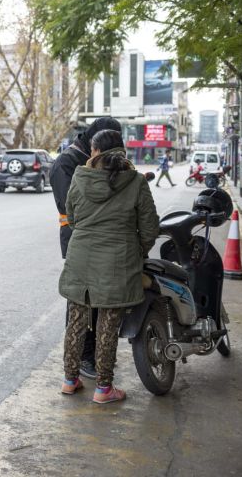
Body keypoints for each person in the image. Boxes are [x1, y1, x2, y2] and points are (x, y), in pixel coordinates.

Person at [59, 129, 159, 403]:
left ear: (94, 151)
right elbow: (149, 227)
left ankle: (70, 380)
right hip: (119, 261)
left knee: (77, 321)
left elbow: (72, 217)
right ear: (121, 151)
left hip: (81, 257)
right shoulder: (136, 181)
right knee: (108, 325)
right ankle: (104, 389)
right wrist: (137, 251)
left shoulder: (80, 177)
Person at [49, 117, 121, 379]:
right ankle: (83, 357)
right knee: (81, 304)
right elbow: (70, 207)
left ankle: (95, 354)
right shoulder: (66, 163)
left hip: (102, 240)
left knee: (100, 302)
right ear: (95, 143)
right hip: (78, 241)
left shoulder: (98, 159)